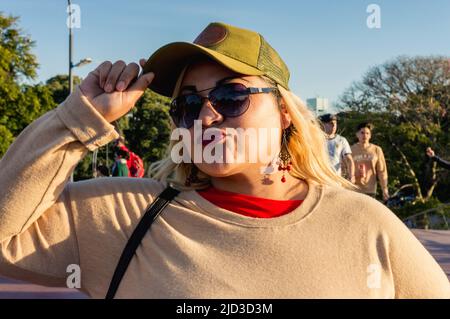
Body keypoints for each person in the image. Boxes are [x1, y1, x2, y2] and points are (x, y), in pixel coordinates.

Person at [0, 22, 448, 299]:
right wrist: (78, 117)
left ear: (286, 111)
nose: (207, 115)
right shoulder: (124, 213)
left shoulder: (366, 225)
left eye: (232, 96)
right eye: (188, 105)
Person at [351, 122, 389, 201]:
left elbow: (382, 171)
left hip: (370, 189)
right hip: (355, 188)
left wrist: (384, 189)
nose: (364, 135)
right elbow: (344, 168)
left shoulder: (376, 149)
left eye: (367, 133)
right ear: (357, 134)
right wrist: (354, 174)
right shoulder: (351, 149)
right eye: (362, 133)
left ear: (370, 135)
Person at [319, 113, 355, 183]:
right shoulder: (315, 139)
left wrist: (351, 175)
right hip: (320, 179)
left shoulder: (341, 140)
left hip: (336, 179)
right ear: (323, 125)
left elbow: (349, 159)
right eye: (330, 123)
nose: (334, 125)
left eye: (335, 123)